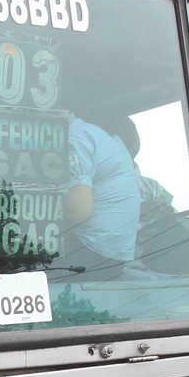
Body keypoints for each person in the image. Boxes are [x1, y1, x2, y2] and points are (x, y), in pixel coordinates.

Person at [61, 116, 141, 276]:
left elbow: (78, 211)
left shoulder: (76, 136)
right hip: (114, 256)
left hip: (90, 253)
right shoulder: (105, 136)